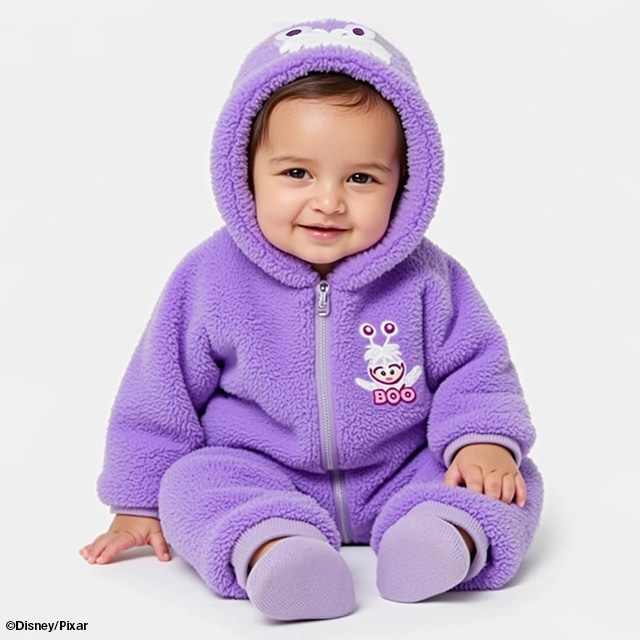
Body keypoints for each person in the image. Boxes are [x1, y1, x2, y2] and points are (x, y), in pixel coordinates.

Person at [80, 19, 543, 622]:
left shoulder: (430, 278)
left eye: (361, 178)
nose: (328, 201)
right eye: (297, 173)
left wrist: (484, 441)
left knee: (507, 481)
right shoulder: (210, 277)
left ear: (405, 183)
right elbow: (158, 392)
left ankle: (439, 538)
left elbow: (477, 367)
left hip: (402, 470)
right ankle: (278, 553)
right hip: (261, 472)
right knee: (192, 484)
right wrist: (137, 501)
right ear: (245, 171)